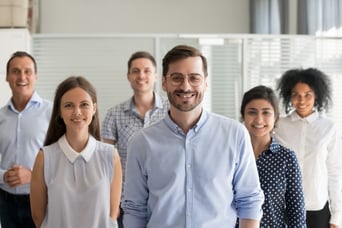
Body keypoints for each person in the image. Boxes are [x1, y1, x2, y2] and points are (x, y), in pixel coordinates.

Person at [122, 45, 264, 228]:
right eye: (176, 78)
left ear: (205, 82)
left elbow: (249, 201)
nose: (185, 86)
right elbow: (135, 209)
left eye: (194, 78)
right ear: (164, 83)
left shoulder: (235, 135)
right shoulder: (141, 143)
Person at [30, 76, 122, 228]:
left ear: (94, 109)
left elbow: (112, 216)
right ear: (59, 111)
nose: (77, 112)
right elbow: (38, 217)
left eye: (84, 104)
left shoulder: (110, 155)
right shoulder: (45, 157)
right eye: (69, 106)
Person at [102, 51, 169, 227]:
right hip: (127, 202)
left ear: (156, 76)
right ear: (128, 76)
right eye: (136, 71)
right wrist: (111, 203)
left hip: (164, 199)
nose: (141, 75)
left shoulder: (171, 111)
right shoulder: (114, 114)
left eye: (147, 71)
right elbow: (105, 162)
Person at [273, 68, 342, 228]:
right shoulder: (278, 125)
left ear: (316, 95)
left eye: (307, 95)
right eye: (296, 94)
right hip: (284, 206)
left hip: (317, 208)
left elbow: (335, 172)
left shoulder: (328, 127)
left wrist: (337, 216)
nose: (301, 100)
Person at [240, 85, 306, 227]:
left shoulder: (287, 158)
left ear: (275, 117)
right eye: (252, 112)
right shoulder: (232, 155)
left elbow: (297, 214)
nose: (259, 120)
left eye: (266, 113)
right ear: (243, 115)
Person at [0, 51, 52, 228]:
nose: (22, 77)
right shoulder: (0, 117)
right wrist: (3, 175)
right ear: (7, 77)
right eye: (15, 71)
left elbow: (63, 159)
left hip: (41, 198)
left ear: (36, 76)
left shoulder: (52, 113)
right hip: (6, 202)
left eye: (27, 71)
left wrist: (33, 175)